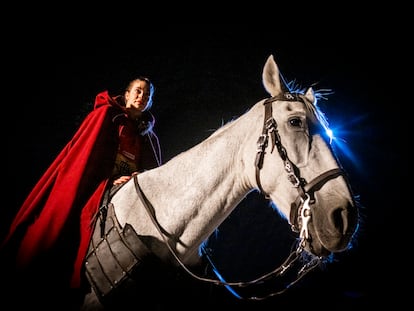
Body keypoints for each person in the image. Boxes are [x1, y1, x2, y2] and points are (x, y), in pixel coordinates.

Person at [1, 76, 162, 307]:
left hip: (129, 191)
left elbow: (151, 170)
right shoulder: (106, 117)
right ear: (126, 95)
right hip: (100, 188)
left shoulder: (149, 137)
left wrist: (142, 177)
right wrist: (110, 180)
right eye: (138, 91)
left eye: (147, 95)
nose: (142, 97)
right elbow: (85, 161)